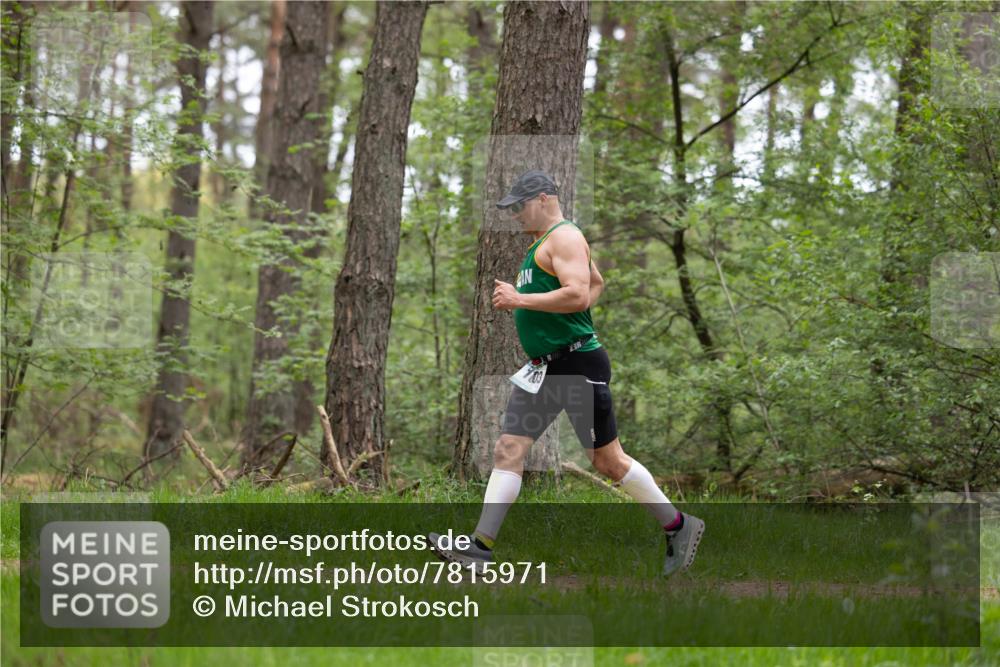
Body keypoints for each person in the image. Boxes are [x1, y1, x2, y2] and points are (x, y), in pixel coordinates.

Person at [430, 170, 704, 577]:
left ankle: (679, 526)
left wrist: (520, 300)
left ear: (544, 198)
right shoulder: (543, 243)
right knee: (508, 448)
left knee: (609, 462)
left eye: (520, 206)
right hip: (545, 368)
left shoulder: (565, 237)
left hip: (577, 366)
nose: (516, 215)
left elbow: (578, 293)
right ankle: (479, 549)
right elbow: (596, 283)